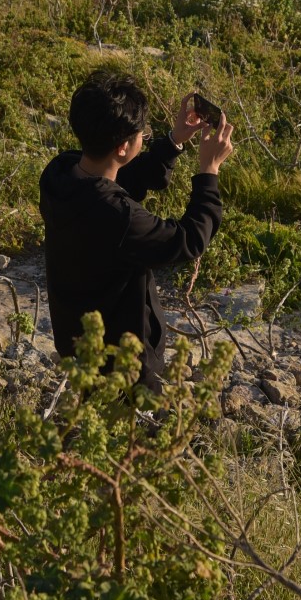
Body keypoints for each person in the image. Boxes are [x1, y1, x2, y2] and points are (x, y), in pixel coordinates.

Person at [39, 73, 235, 389]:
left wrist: (173, 142)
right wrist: (208, 173)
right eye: (142, 133)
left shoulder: (60, 173)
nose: (144, 136)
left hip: (78, 345)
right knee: (130, 434)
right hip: (125, 364)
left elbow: (116, 180)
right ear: (122, 146)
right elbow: (188, 240)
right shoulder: (120, 216)